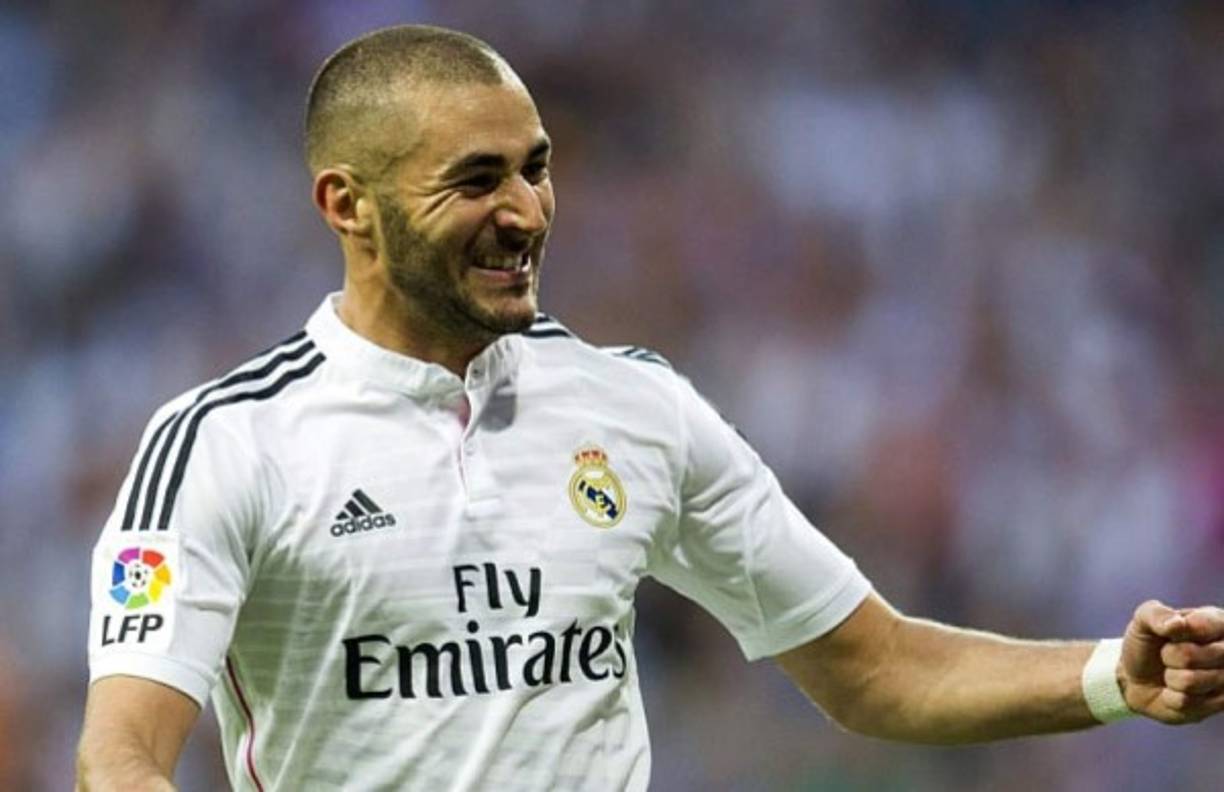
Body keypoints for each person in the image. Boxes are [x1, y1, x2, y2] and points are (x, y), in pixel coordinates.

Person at [76, 24, 1224, 791]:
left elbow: (876, 667)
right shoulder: (224, 444)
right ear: (347, 204)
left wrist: (1111, 681)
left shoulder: (637, 409)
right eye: (476, 181)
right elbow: (120, 759)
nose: (527, 211)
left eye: (536, 168)